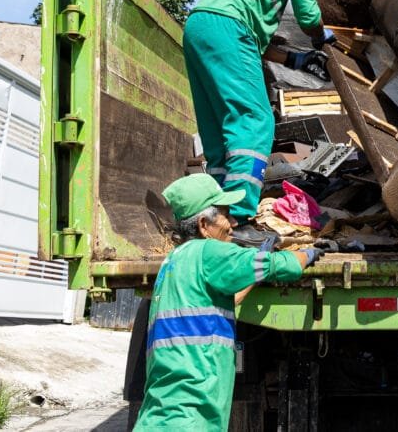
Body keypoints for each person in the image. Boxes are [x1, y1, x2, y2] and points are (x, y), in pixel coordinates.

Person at [184, 0, 336, 246]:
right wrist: (320, 37)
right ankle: (238, 220)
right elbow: (307, 11)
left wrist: (299, 61)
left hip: (200, 27)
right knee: (255, 120)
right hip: (229, 28)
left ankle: (215, 217)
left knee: (220, 128)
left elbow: (256, 43)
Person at [134, 174, 325, 431]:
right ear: (203, 225)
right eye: (225, 214)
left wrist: (252, 276)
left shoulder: (174, 262)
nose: (233, 223)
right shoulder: (209, 251)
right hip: (189, 419)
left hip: (166, 416)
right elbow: (282, 266)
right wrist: (308, 253)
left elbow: (220, 304)